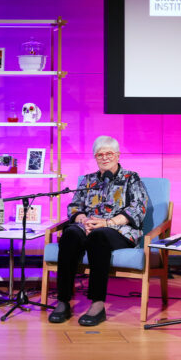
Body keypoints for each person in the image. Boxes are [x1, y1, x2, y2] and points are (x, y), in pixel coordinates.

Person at [49, 136, 148, 326]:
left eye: (109, 153)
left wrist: (107, 223)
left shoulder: (131, 178)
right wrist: (84, 219)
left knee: (98, 236)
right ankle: (63, 301)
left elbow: (137, 208)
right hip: (88, 225)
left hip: (119, 229)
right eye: (100, 154)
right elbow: (74, 207)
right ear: (95, 157)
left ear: (118, 155)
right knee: (69, 234)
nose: (104, 157)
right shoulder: (88, 180)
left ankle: (97, 304)